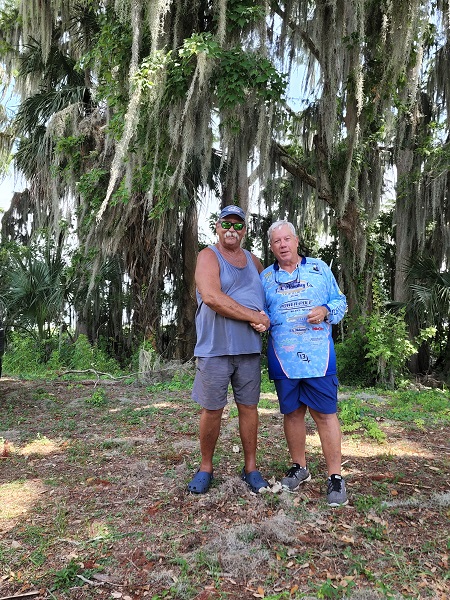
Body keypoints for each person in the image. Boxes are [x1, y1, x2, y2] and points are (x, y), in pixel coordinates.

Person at [259, 220, 348, 506]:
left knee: (325, 414)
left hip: (318, 358)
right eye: (277, 241)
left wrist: (325, 309)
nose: (283, 245)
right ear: (271, 247)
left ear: (296, 241)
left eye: (287, 239)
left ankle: (335, 476)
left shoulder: (319, 269)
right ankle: (299, 467)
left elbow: (341, 302)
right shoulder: (265, 278)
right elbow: (260, 312)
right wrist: (259, 322)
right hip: (283, 358)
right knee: (293, 414)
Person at [187, 205, 271, 494]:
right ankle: (205, 468)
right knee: (212, 409)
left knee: (249, 408)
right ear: (217, 226)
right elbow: (212, 297)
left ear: (244, 230)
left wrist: (265, 318)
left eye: (238, 225)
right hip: (215, 348)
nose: (231, 229)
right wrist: (252, 316)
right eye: (226, 224)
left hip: (248, 349)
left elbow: (269, 297)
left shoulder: (254, 261)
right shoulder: (208, 256)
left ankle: (251, 468)